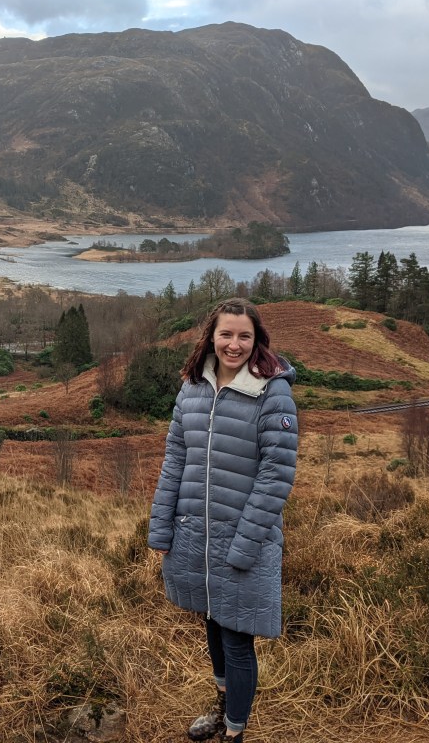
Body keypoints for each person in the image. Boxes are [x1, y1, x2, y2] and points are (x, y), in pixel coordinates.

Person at [148, 298, 298, 742]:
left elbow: (276, 475)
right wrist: (161, 528)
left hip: (243, 539)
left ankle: (234, 733)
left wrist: (246, 545)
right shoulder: (192, 387)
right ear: (211, 336)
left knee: (236, 638)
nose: (234, 344)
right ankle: (222, 708)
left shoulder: (274, 392)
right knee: (212, 623)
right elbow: (175, 459)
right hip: (196, 533)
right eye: (226, 334)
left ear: (257, 339)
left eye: (244, 336)